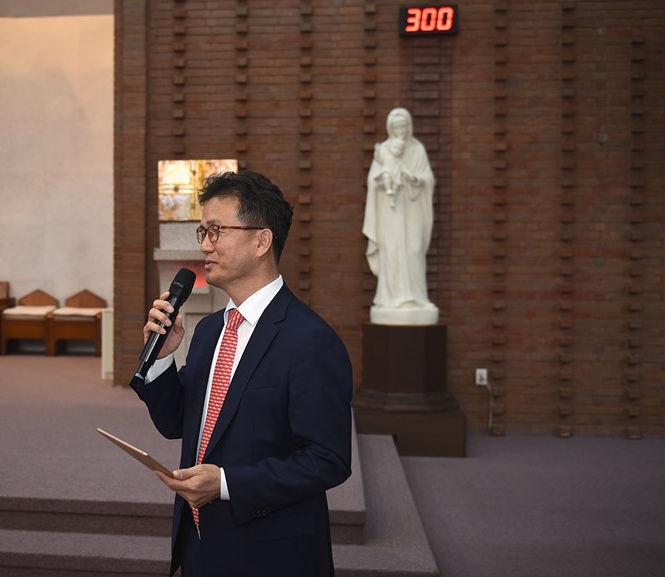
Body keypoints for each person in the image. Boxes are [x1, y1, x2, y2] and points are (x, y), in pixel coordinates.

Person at [132, 170, 353, 577]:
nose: (204, 245)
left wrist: (225, 483)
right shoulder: (209, 331)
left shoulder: (310, 340)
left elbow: (328, 460)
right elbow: (177, 422)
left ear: (261, 241)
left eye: (216, 231)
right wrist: (161, 359)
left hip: (270, 554)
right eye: (203, 231)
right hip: (199, 542)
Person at [362, 107, 439, 325]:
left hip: (413, 210)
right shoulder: (384, 149)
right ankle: (391, 298)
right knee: (393, 250)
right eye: (396, 127)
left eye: (403, 126)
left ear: (409, 126)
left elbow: (428, 179)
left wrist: (414, 179)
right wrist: (383, 180)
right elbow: (373, 181)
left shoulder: (418, 150)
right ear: (390, 128)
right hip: (391, 212)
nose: (400, 130)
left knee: (413, 249)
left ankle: (416, 297)